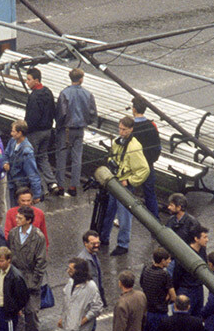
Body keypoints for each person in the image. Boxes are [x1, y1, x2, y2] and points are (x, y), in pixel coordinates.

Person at [99, 116, 150, 256]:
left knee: (124, 215)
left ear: (131, 129)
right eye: (120, 129)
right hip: (115, 181)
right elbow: (114, 156)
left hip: (124, 185)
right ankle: (104, 238)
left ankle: (123, 244)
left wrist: (129, 181)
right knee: (109, 211)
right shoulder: (118, 142)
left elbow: (144, 170)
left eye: (124, 130)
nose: (121, 132)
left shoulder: (134, 147)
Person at [8, 206, 47, 331]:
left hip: (31, 278)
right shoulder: (13, 234)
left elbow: (41, 261)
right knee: (18, 310)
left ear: (28, 220)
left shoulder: (38, 237)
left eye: (20, 218)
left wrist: (35, 282)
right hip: (17, 277)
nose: (16, 220)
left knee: (32, 311)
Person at [57, 67, 97, 195]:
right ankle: (73, 187)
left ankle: (60, 185)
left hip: (66, 129)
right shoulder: (88, 94)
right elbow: (93, 113)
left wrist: (59, 126)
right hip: (80, 129)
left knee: (62, 157)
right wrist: (86, 122)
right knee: (77, 158)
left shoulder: (64, 93)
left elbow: (61, 113)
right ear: (81, 79)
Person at [22, 67, 60, 194]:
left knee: (31, 159)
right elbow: (54, 110)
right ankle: (52, 182)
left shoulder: (34, 97)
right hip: (48, 130)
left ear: (36, 80)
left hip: (35, 133)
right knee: (43, 157)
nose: (27, 82)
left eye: (29, 79)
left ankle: (37, 187)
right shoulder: (48, 92)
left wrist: (25, 130)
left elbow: (32, 117)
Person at [129, 98, 161, 215]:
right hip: (148, 164)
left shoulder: (131, 126)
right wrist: (151, 160)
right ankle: (155, 221)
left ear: (134, 109)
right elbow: (158, 147)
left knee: (129, 193)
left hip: (133, 166)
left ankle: (128, 217)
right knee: (150, 193)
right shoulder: (152, 125)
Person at [171, 225, 211, 316]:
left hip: (198, 288)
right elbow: (177, 275)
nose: (207, 240)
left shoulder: (202, 250)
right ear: (196, 239)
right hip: (186, 289)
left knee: (197, 316)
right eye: (204, 237)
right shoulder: (185, 254)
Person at [3, 120, 44, 201]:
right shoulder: (12, 141)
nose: (11, 133)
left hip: (22, 188)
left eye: (13, 131)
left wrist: (36, 194)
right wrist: (5, 162)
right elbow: (6, 154)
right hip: (12, 184)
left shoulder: (27, 151)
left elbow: (32, 173)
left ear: (20, 133)